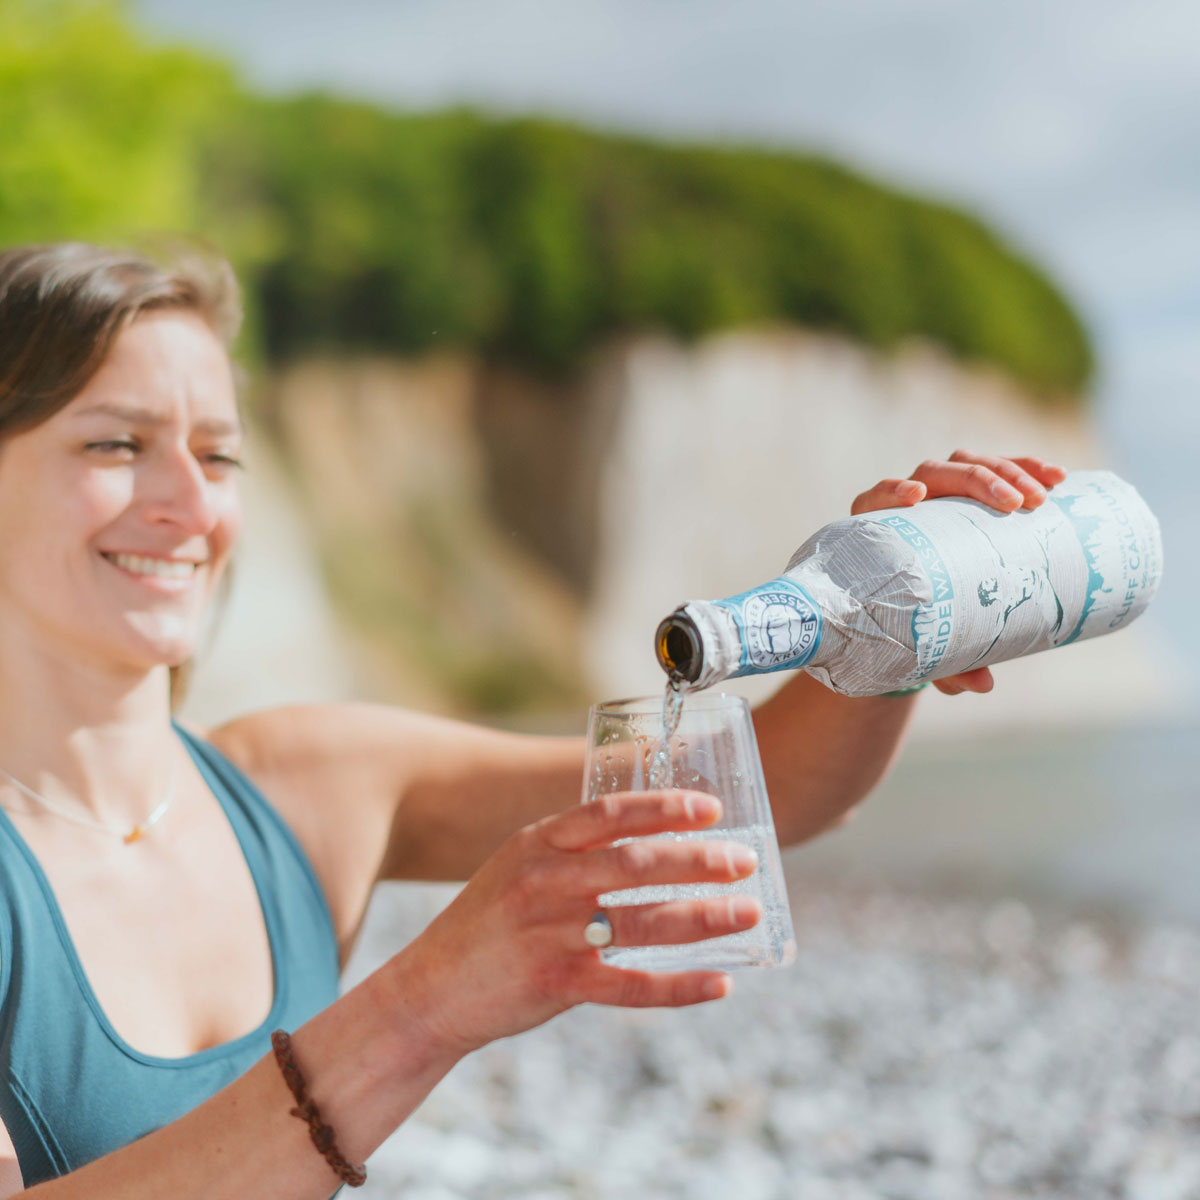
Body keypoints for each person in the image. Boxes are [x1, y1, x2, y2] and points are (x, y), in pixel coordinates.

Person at [0, 241, 1066, 1197]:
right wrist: (417, 1009)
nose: (192, 503)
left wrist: (890, 626)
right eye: (116, 444)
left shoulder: (304, 782)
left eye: (220, 453)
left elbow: (758, 795)